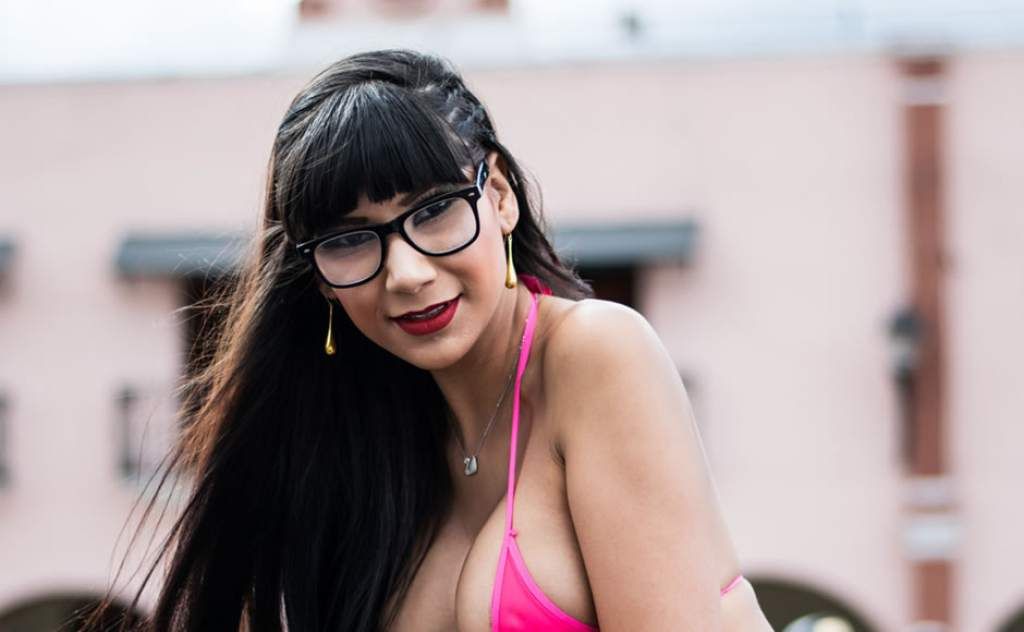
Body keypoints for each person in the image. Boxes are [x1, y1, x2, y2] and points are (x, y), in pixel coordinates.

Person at [82, 48, 773, 631]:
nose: (406, 273)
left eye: (435, 210)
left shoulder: (596, 354)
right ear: (319, 278)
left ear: (498, 196)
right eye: (351, 240)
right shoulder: (361, 451)